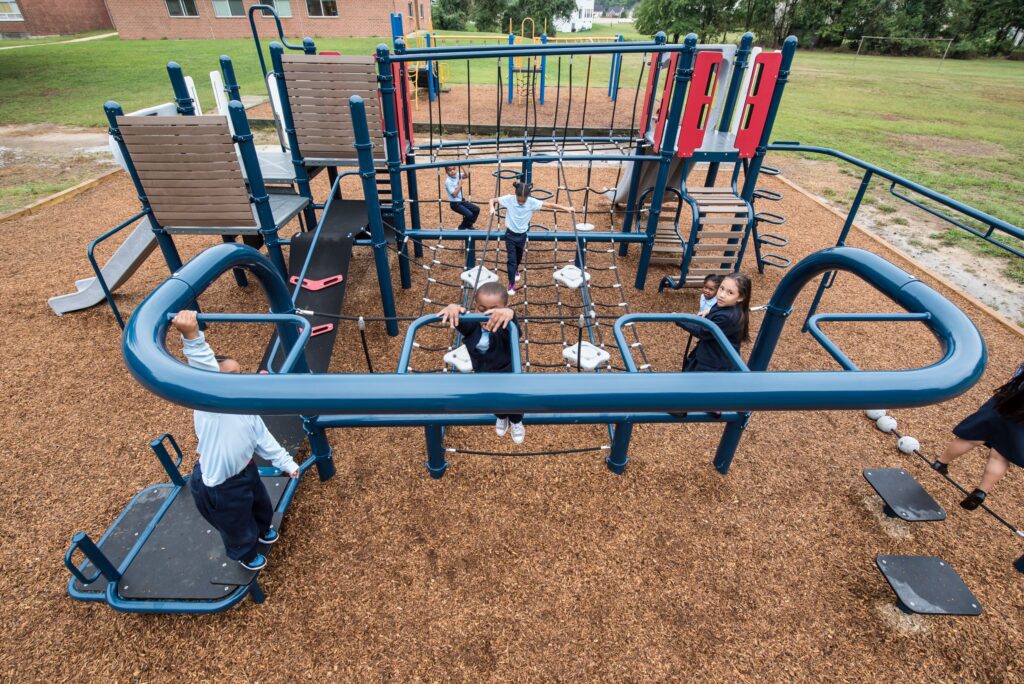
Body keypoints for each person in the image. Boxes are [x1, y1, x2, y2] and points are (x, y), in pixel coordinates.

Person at [171, 310, 300, 571]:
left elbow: (263, 438)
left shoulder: (245, 409)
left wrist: (286, 462)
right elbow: (204, 371)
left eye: (240, 374)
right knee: (235, 522)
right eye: (229, 378)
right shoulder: (211, 408)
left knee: (260, 504)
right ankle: (245, 553)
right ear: (213, 386)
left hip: (246, 470)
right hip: (220, 486)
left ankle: (263, 528)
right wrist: (192, 337)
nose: (238, 381)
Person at [438, 281, 526, 444]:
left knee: (513, 403)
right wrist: (453, 308)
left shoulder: (506, 327)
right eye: (481, 309)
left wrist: (510, 314)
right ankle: (501, 417)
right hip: (483, 374)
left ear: (504, 307)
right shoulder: (474, 326)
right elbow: (460, 319)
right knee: (495, 403)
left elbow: (515, 330)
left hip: (507, 375)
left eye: (494, 310)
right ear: (476, 307)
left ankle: (516, 421)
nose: (487, 315)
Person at [932, 363, 1023, 509]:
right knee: (1000, 454)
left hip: (1004, 401)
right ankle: (981, 492)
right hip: (1020, 418)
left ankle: (941, 462)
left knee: (973, 437)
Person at [488, 181, 576, 296]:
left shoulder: (531, 202)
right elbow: (492, 200)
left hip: (522, 235)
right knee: (511, 260)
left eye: (523, 200)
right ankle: (511, 283)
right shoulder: (509, 199)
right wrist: (492, 208)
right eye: (519, 199)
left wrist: (566, 208)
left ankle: (516, 269)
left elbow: (549, 205)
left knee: (518, 257)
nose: (520, 202)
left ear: (528, 197)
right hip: (510, 235)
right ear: (515, 195)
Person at [679, 272, 751, 372]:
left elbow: (703, 331)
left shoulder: (727, 317)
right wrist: (708, 310)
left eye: (730, 293)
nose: (722, 295)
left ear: (740, 297)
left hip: (714, 363)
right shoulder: (726, 304)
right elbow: (717, 310)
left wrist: (680, 320)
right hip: (711, 353)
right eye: (721, 288)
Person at [444, 165, 479, 230]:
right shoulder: (448, 181)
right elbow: (454, 195)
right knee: (469, 215)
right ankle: (461, 227)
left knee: (476, 209)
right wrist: (459, 185)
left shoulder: (457, 175)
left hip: (461, 201)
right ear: (446, 172)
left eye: (454, 169)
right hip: (455, 203)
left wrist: (461, 165)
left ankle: (468, 225)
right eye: (450, 170)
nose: (452, 171)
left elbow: (467, 175)